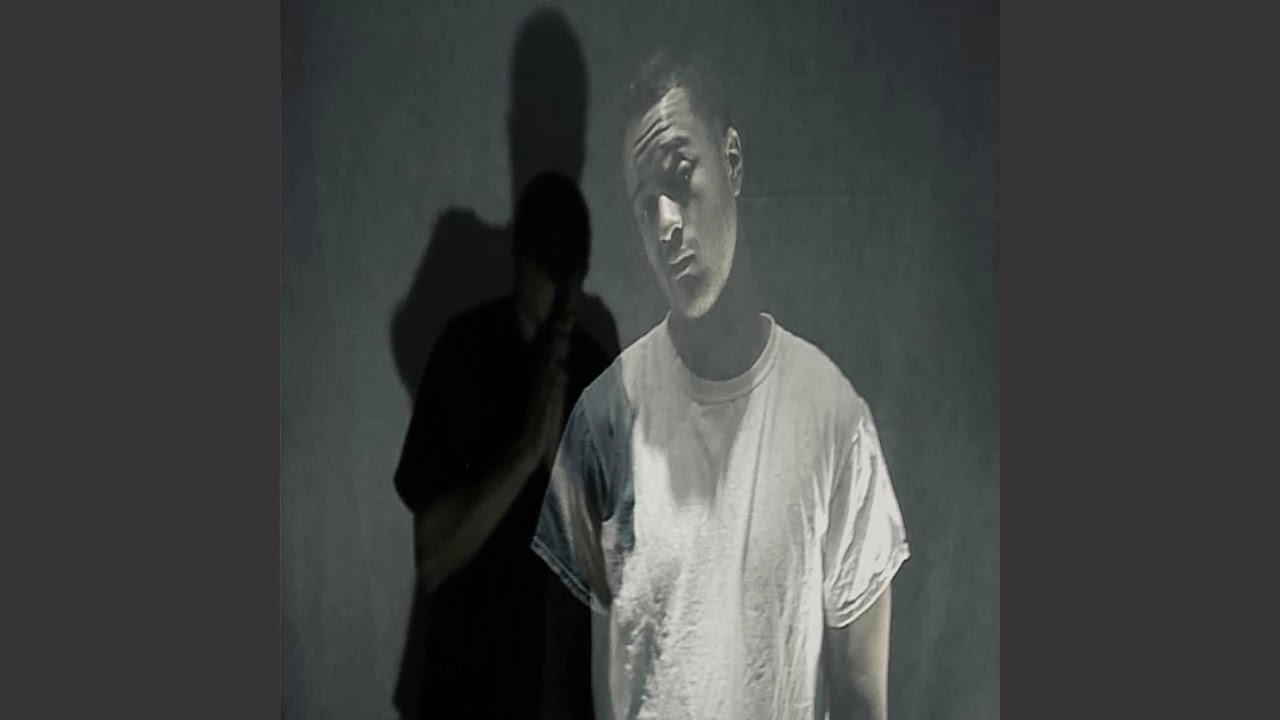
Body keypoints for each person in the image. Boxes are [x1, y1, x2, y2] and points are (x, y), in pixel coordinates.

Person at [532, 49, 911, 720]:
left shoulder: (832, 419)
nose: (666, 223)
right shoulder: (603, 421)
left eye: (680, 176)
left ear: (731, 163)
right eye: (644, 205)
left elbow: (862, 702)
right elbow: (562, 691)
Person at [393, 171, 604, 719]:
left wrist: (559, 466)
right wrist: (527, 452)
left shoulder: (597, 370)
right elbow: (433, 556)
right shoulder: (464, 352)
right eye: (548, 265)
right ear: (519, 258)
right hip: (463, 696)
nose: (561, 289)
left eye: (572, 270)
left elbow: (613, 575)